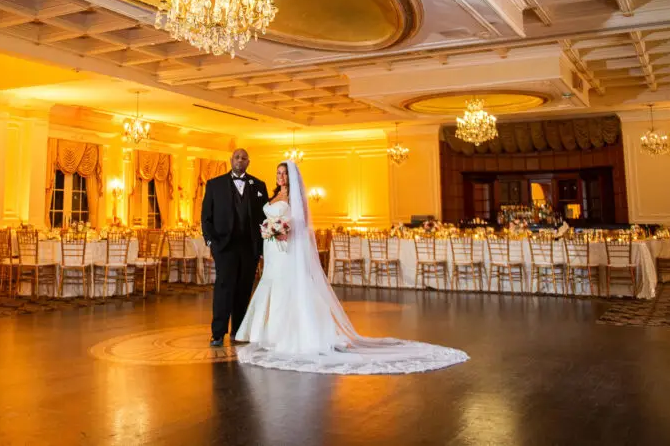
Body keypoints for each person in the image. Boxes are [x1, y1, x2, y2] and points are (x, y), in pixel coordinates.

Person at [233, 160, 469, 374]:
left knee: (289, 289)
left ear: (291, 177)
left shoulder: (295, 199)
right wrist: (270, 229)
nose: (280, 177)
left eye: (284, 173)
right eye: (278, 173)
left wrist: (284, 231)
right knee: (272, 286)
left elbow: (301, 225)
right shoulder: (273, 196)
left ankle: (293, 335)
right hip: (273, 250)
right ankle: (269, 333)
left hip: (288, 251)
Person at [201, 148, 268, 348]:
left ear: (248, 162)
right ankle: (218, 333)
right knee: (224, 288)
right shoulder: (215, 185)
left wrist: (263, 246)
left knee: (244, 289)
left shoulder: (258, 185)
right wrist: (211, 242)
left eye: (244, 158)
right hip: (225, 246)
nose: (240, 160)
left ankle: (239, 330)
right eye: (236, 157)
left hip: (249, 247)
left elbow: (264, 218)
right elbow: (206, 217)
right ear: (231, 160)